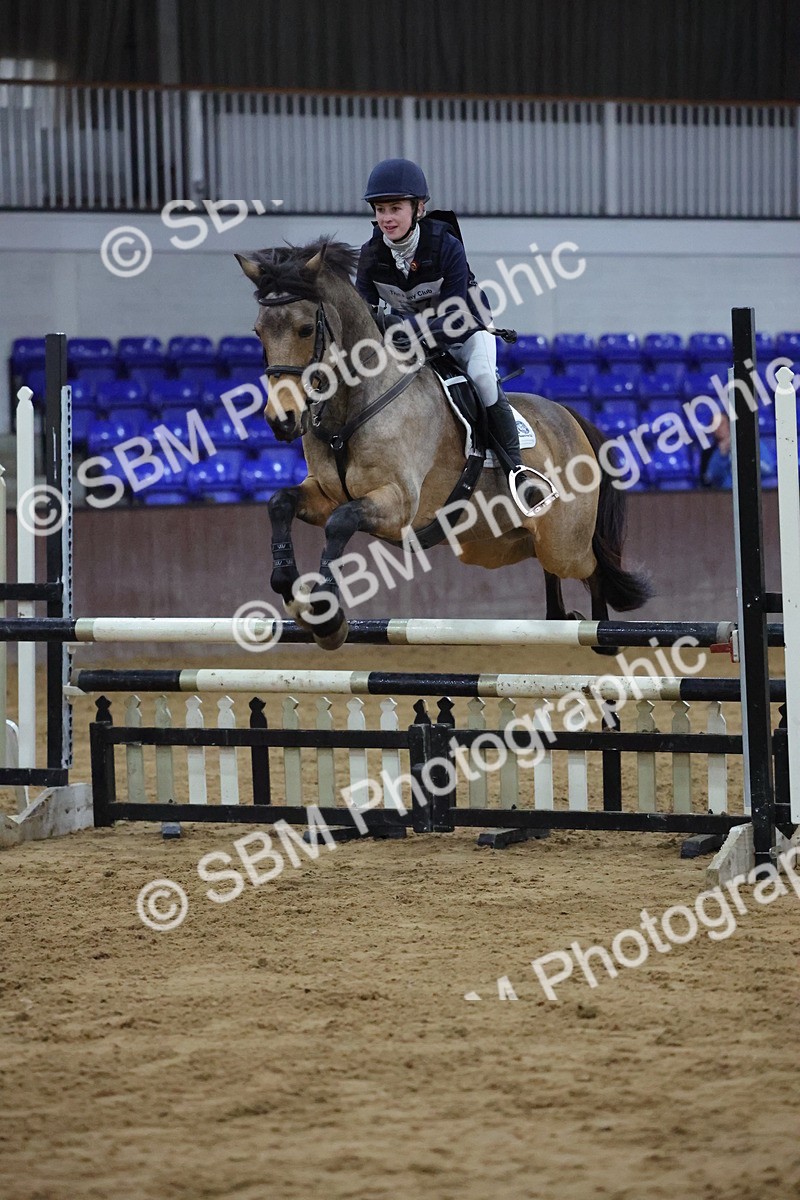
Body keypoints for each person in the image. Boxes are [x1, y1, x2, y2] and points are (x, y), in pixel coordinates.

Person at [355, 157, 549, 516]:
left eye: (395, 208)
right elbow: (361, 314)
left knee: (482, 378)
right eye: (380, 209)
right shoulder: (370, 256)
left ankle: (518, 471)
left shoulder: (445, 246)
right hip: (412, 343)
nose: (387, 218)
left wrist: (405, 330)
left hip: (465, 331)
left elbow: (456, 318)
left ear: (419, 208)